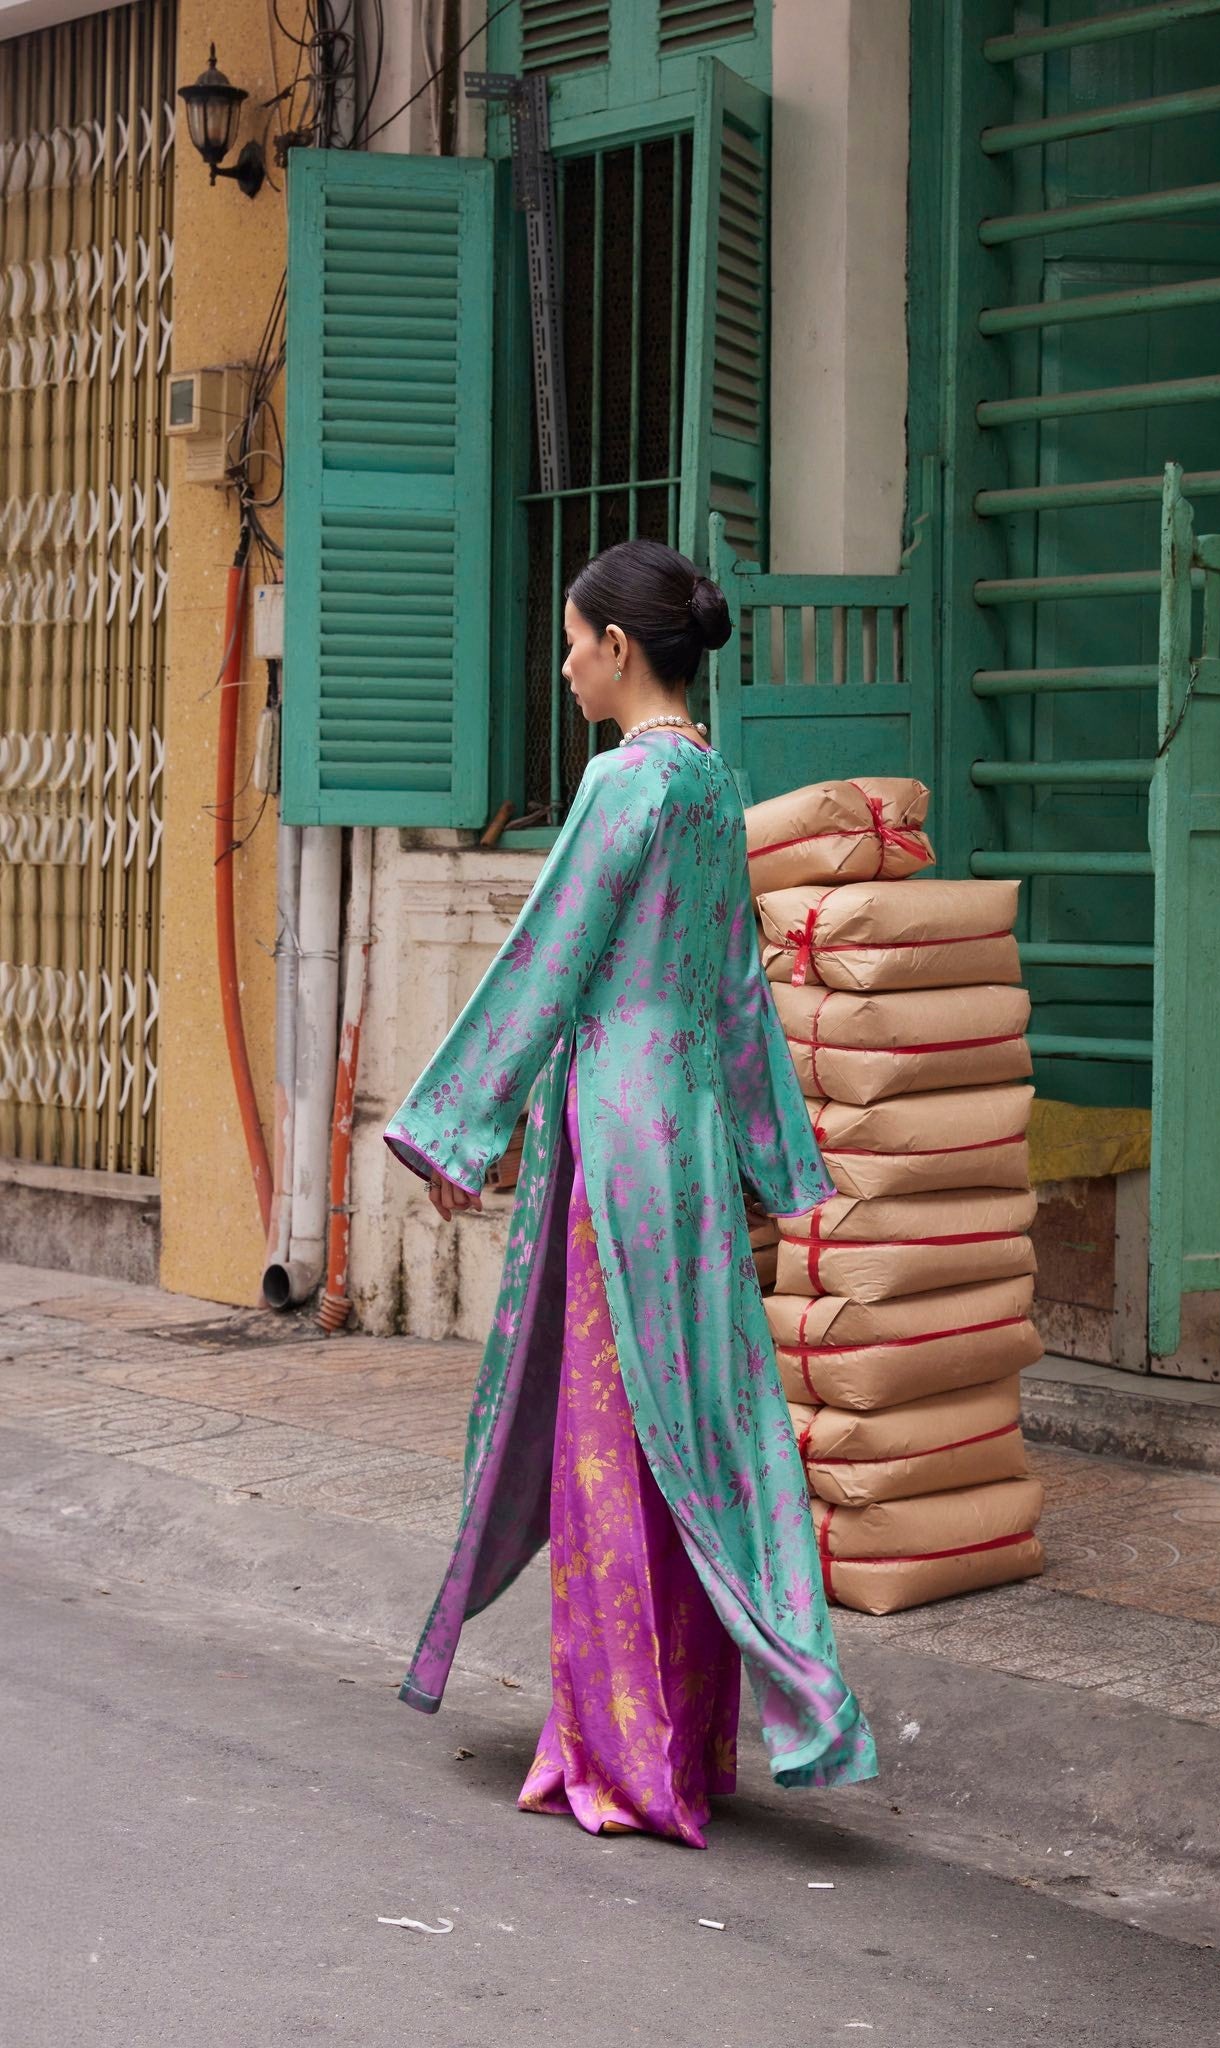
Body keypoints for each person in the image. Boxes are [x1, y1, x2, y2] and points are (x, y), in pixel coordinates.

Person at [383, 538, 877, 1848]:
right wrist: (774, 1160)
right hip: (693, 1149)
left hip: (613, 1141)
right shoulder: (711, 785)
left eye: (568, 641)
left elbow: (545, 963)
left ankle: (617, 1758)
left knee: (612, 1452)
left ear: (618, 646)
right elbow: (735, 994)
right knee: (686, 1450)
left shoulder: (624, 785)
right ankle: (684, 1747)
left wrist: (453, 1127)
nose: (561, 666)